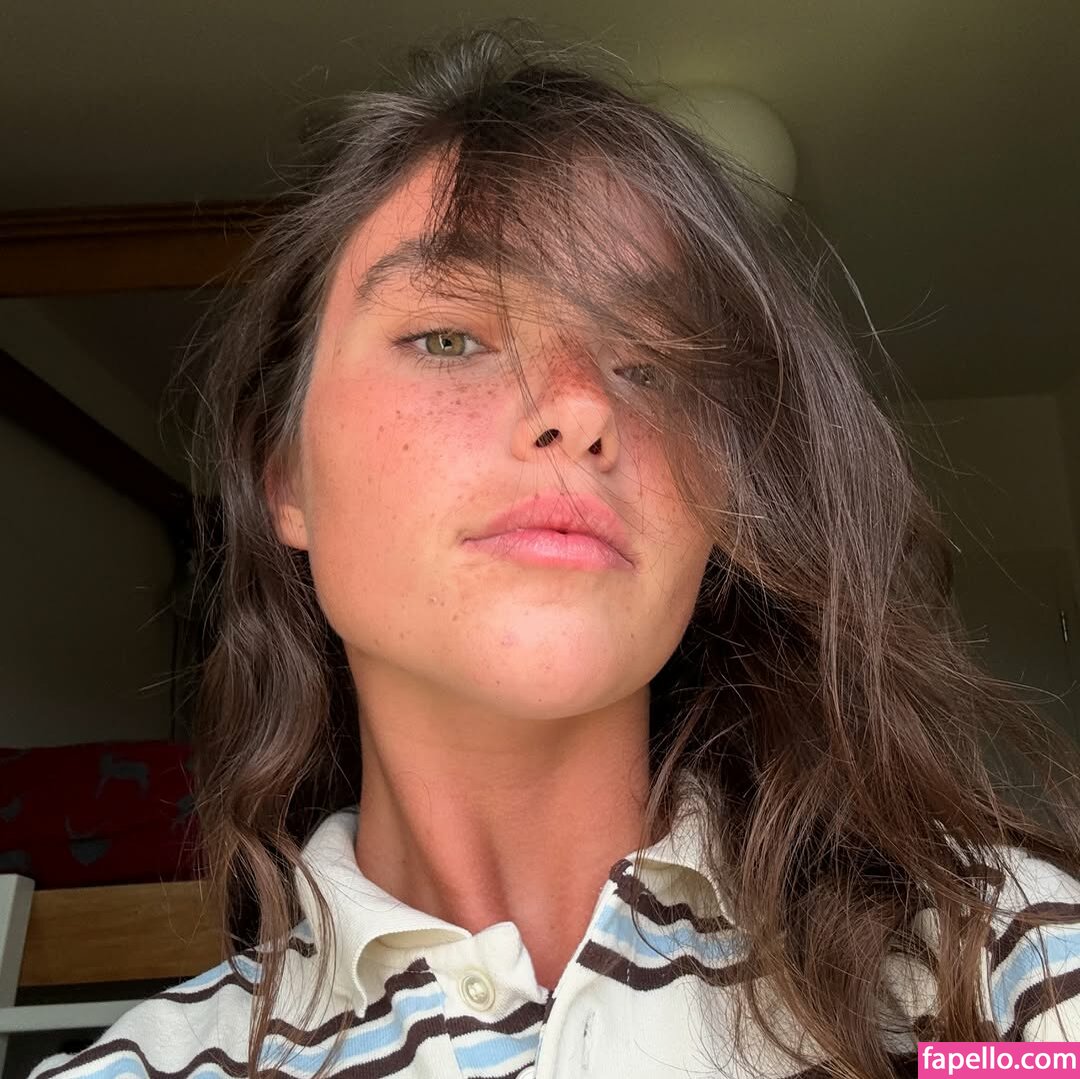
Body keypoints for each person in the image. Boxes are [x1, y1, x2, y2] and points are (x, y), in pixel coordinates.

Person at [28, 22, 1080, 1079]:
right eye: (450, 337)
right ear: (284, 473)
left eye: (653, 363)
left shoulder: (999, 980)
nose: (579, 407)